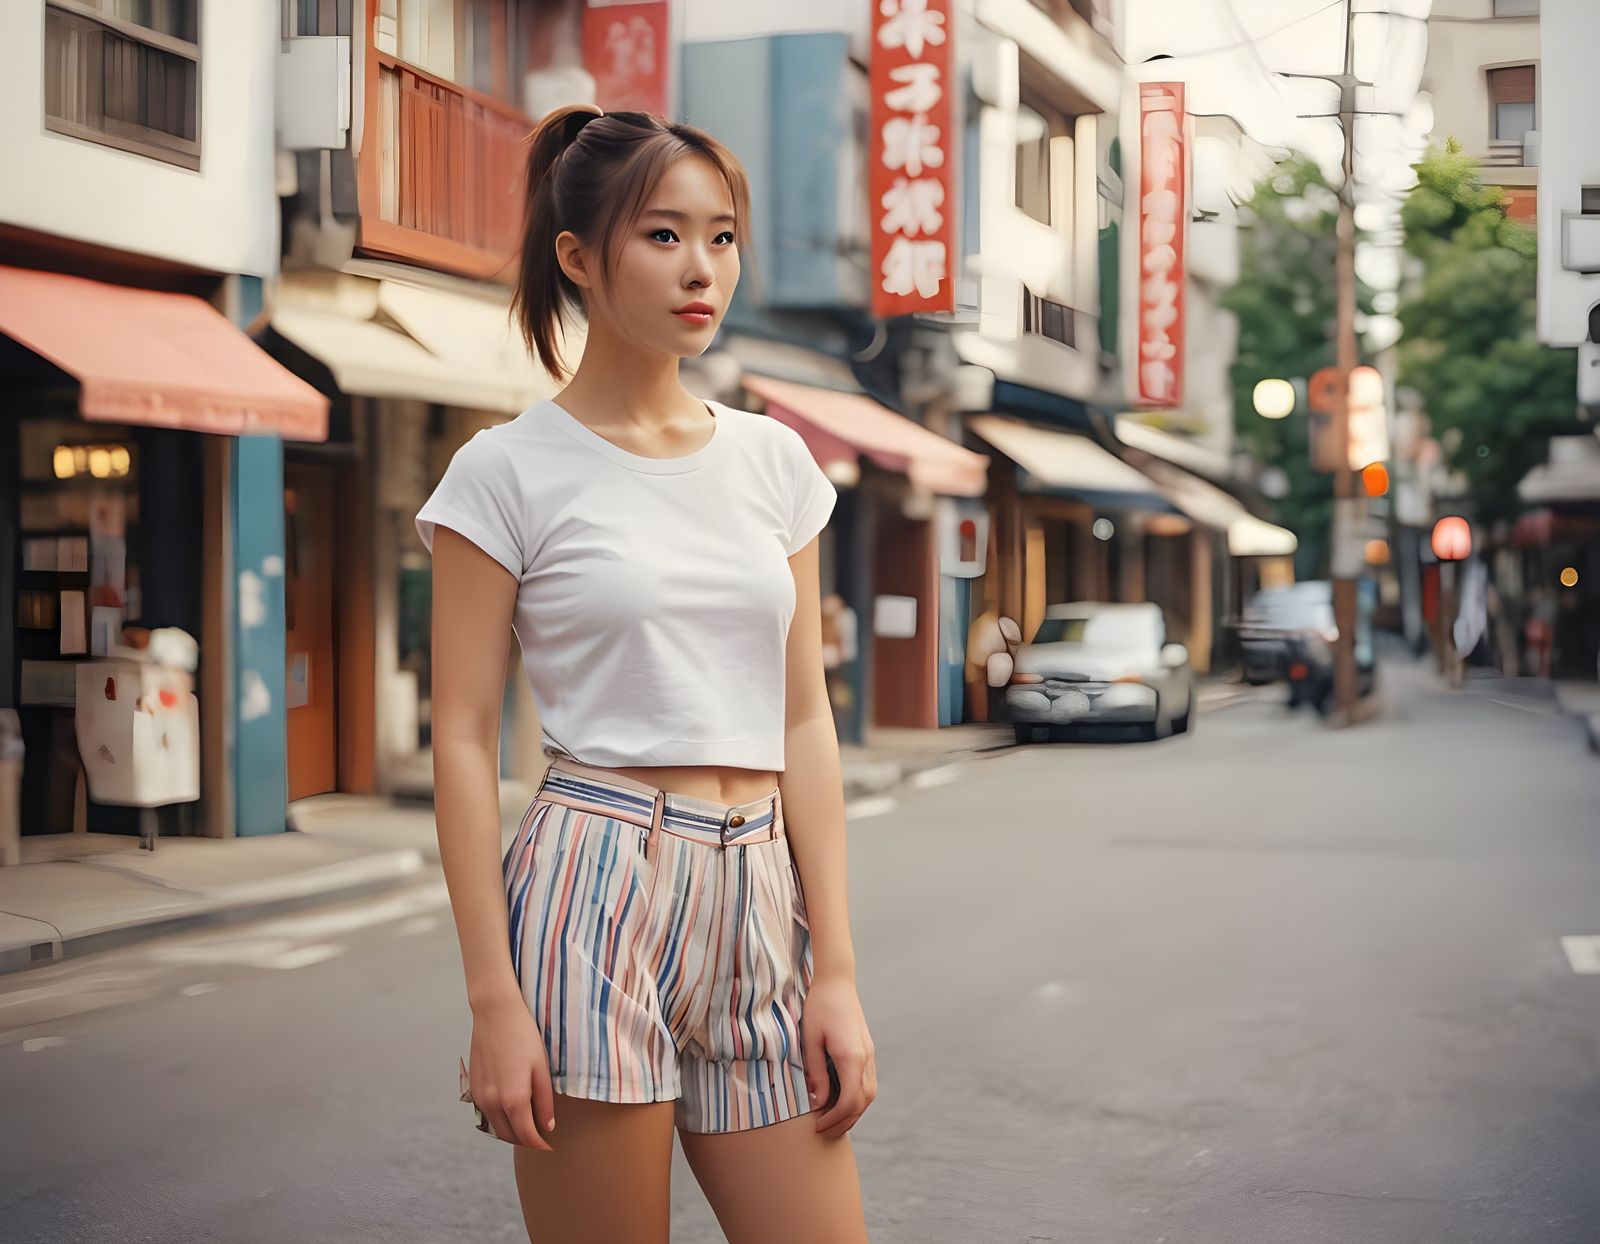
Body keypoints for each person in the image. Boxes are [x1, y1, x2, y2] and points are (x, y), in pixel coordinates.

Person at [414, 105, 876, 1243]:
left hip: (757, 886)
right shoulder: (504, 471)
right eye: (663, 235)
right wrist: (493, 998)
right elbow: (461, 737)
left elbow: (803, 721)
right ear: (578, 257)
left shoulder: (773, 459)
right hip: (595, 880)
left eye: (721, 237)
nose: (701, 268)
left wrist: (836, 968)